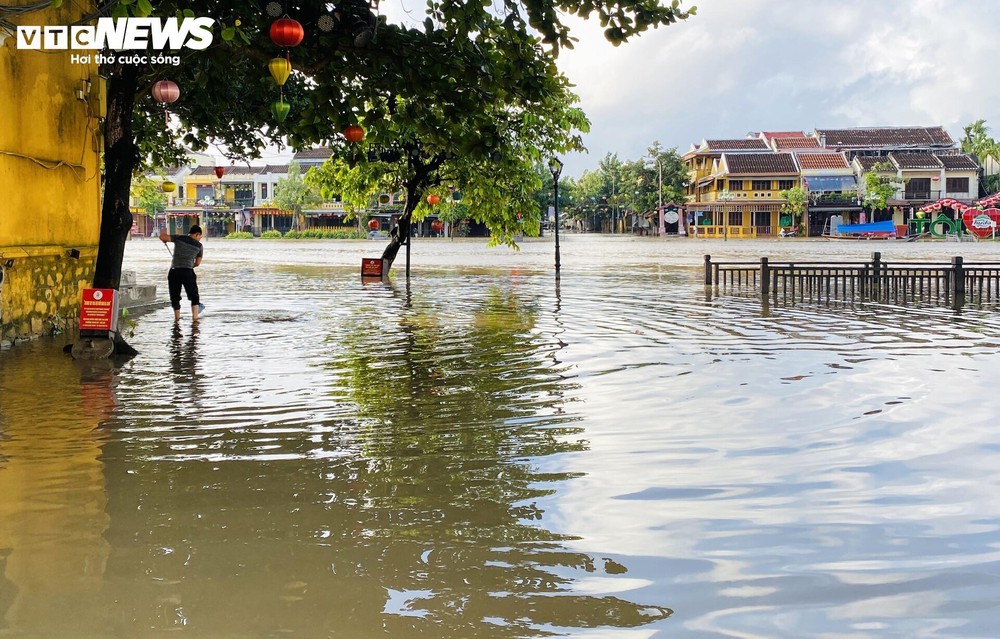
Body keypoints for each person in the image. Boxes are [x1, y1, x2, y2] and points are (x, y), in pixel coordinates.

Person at [159, 225, 204, 321]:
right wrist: (191, 265)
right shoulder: (199, 246)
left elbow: (162, 237)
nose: (200, 239)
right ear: (197, 234)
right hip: (188, 272)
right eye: (200, 236)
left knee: (175, 295)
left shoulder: (179, 238)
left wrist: (165, 240)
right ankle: (195, 319)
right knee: (194, 296)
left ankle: (177, 318)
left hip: (174, 271)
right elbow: (198, 263)